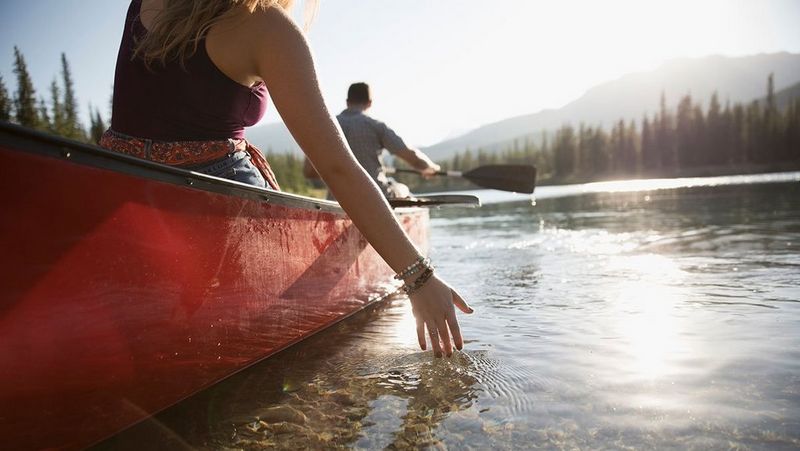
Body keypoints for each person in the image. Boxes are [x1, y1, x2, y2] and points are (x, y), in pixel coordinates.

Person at [100, 0, 472, 357]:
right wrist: (419, 276)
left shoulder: (145, 3)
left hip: (116, 182)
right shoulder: (264, 23)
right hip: (220, 198)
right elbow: (337, 168)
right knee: (397, 191)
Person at [303, 82, 440, 199]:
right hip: (377, 197)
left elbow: (309, 172)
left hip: (338, 199)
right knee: (402, 189)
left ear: (347, 102)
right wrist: (431, 167)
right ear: (369, 103)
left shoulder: (325, 127)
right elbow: (413, 158)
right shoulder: (376, 126)